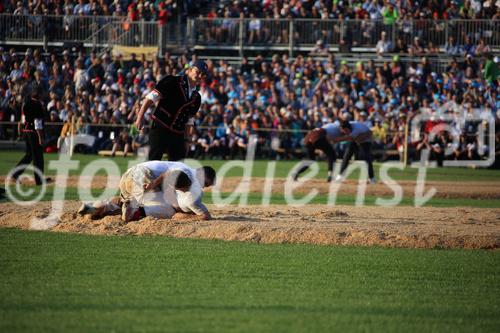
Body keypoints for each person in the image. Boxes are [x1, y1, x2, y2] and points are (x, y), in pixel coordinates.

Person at [78, 161, 216, 222]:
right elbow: (169, 176)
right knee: (167, 210)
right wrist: (151, 185)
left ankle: (95, 207)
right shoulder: (187, 175)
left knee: (122, 201)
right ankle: (133, 210)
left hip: (129, 175)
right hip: (144, 177)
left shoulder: (186, 169)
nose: (204, 187)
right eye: (206, 183)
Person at [134, 60, 208, 161]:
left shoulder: (197, 97)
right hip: (160, 127)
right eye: (197, 71)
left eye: (203, 74)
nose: (199, 76)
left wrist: (187, 140)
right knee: (153, 162)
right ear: (190, 70)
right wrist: (140, 116)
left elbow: (189, 120)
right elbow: (151, 98)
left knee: (178, 167)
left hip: (178, 134)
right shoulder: (172, 80)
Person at [12, 86, 48, 185]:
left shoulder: (26, 103)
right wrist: (40, 137)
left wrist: (20, 132)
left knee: (29, 155)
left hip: (27, 132)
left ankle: (15, 173)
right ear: (39, 94)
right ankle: (39, 180)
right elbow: (37, 123)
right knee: (38, 157)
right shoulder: (38, 105)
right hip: (34, 133)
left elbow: (22, 120)